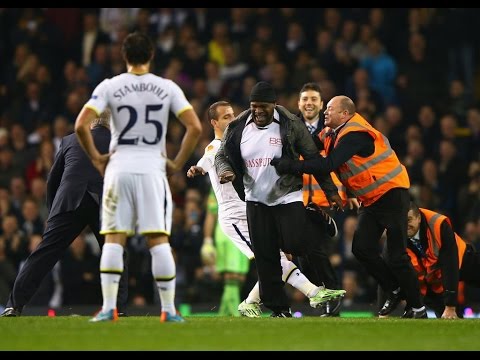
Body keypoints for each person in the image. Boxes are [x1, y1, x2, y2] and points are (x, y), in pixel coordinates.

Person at [74, 32, 202, 322]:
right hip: (152, 169)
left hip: (119, 167)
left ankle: (109, 308)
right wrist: (176, 163)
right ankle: (168, 310)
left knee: (113, 239)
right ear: (152, 55)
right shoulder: (166, 87)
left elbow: (81, 124)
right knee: (158, 239)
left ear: (124, 56)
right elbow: (193, 127)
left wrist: (96, 158)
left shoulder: (111, 86)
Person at [272, 95, 426, 318]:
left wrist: (292, 166)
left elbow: (328, 163)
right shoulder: (331, 133)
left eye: (331, 109)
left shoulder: (356, 134)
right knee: (361, 249)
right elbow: (308, 147)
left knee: (397, 256)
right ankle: (394, 289)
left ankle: (417, 307)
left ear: (344, 114)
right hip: (372, 199)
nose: (325, 112)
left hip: (392, 194)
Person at [188, 101, 344, 317]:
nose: (232, 120)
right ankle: (314, 292)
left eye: (233, 114)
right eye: (225, 117)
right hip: (235, 218)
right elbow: (207, 160)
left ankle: (250, 302)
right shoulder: (216, 146)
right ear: (214, 122)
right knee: (274, 260)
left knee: (274, 259)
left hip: (253, 209)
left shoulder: (241, 143)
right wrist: (197, 169)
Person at [0, 110, 129, 317]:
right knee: (116, 252)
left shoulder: (70, 140)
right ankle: (117, 309)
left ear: (91, 122)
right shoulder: (120, 144)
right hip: (103, 202)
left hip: (69, 200)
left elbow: (53, 178)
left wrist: (53, 213)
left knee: (44, 254)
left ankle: (13, 305)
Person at [297, 82, 360, 317]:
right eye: (305, 99)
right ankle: (326, 295)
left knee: (319, 251)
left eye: (314, 99)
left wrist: (350, 191)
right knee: (306, 255)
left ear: (322, 104)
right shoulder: (290, 130)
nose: (309, 103)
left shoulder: (333, 128)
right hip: (300, 203)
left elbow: (344, 163)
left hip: (330, 204)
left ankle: (331, 299)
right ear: (299, 103)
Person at [401, 201, 480, 319]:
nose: (405, 224)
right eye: (402, 221)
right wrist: (384, 311)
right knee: (451, 323)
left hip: (462, 259)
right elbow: (390, 269)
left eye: (409, 220)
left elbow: (450, 265)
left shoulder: (438, 224)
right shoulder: (396, 235)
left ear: (419, 218)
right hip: (435, 282)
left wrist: (450, 306)